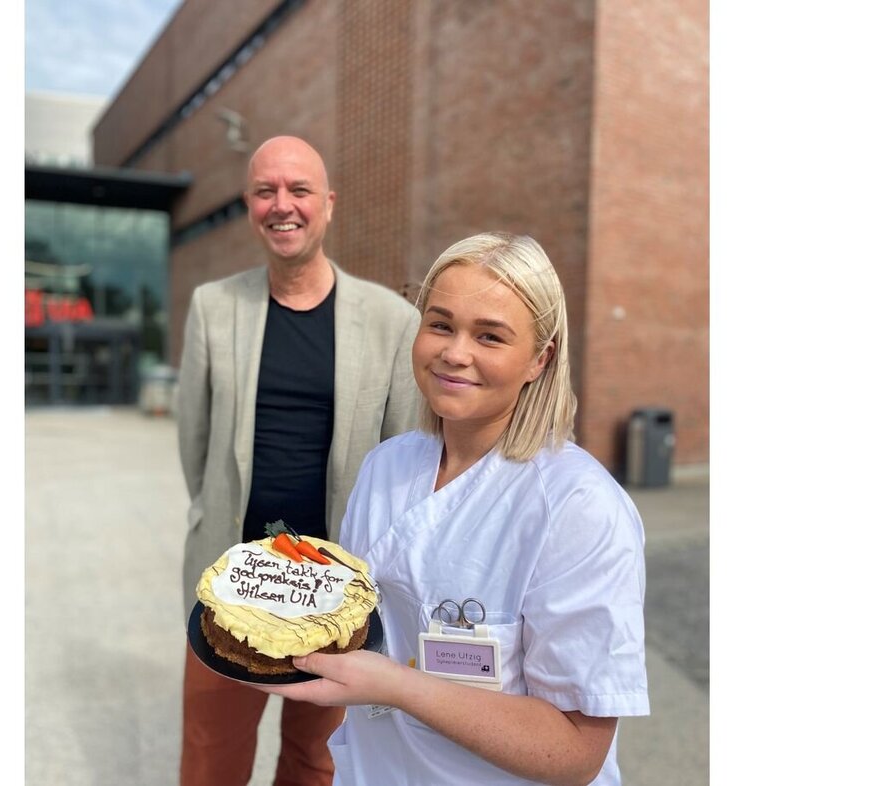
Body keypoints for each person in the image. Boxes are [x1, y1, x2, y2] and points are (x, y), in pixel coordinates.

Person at [256, 232, 650, 785]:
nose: (454, 352)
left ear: (541, 358)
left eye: (490, 336)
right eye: (440, 324)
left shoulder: (577, 507)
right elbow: (360, 622)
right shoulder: (386, 467)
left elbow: (575, 751)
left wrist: (394, 686)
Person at [176, 135, 422, 786]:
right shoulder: (213, 308)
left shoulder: (393, 322)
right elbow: (193, 445)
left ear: (328, 205)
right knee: (210, 756)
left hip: (332, 601)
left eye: (298, 190)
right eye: (265, 191)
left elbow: (402, 462)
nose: (282, 206)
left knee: (317, 762)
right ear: (250, 204)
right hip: (231, 588)